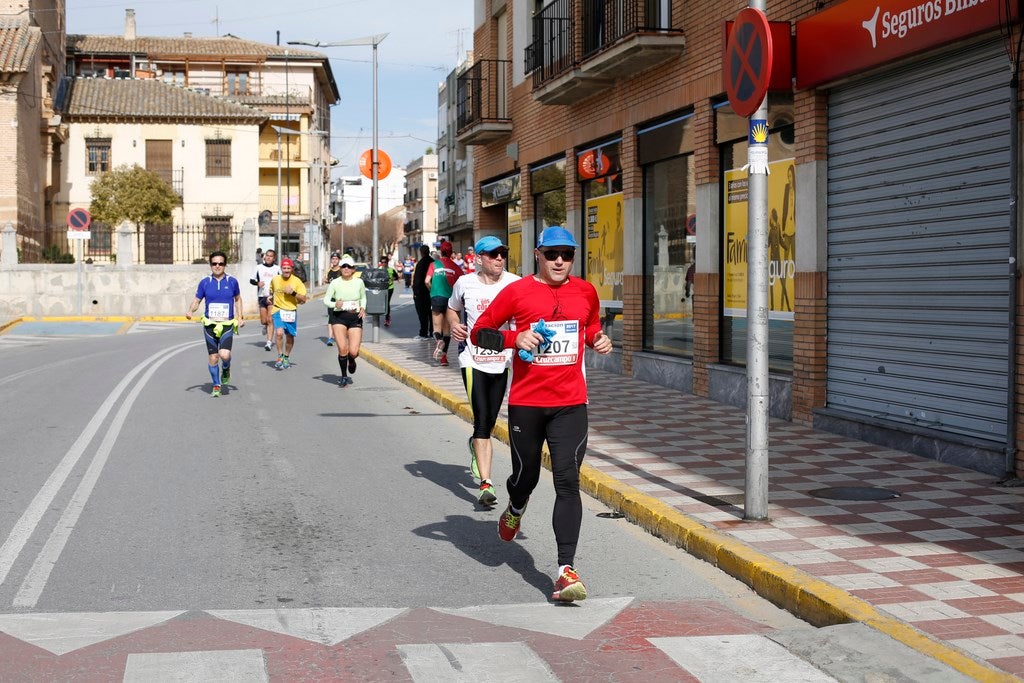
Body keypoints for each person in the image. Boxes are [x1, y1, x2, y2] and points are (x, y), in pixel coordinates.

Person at [471, 226, 612, 602]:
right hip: (527, 404)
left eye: (567, 254)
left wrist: (597, 339)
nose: (560, 261)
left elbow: (591, 324)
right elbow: (478, 333)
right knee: (526, 476)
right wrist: (512, 338)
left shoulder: (585, 291)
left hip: (570, 403)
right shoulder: (516, 292)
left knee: (567, 480)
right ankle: (515, 506)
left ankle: (566, 570)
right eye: (552, 254)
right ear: (538, 254)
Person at [447, 236, 520, 505]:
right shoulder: (465, 283)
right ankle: (486, 484)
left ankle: (475, 445)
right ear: (479, 258)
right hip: (473, 360)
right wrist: (455, 325)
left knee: (490, 420)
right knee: (481, 419)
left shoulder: (514, 283)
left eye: (502, 253)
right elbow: (452, 309)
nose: (499, 258)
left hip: (502, 361)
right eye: (493, 254)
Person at [186, 251, 245, 398]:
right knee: (213, 357)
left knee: (224, 355)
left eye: (220, 263)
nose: (217, 266)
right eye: (214, 263)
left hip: (226, 324)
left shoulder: (232, 281)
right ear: (210, 265)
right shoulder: (205, 282)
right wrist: (190, 311)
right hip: (210, 324)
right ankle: (216, 384)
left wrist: (240, 317)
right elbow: (197, 300)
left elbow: (238, 299)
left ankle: (226, 367)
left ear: (225, 265)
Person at [324, 254, 367, 386]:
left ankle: (352, 360)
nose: (346, 269)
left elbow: (363, 297)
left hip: (355, 318)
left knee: (353, 351)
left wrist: (362, 308)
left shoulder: (359, 282)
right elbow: (326, 300)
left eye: (349, 266)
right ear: (340, 268)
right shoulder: (335, 283)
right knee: (342, 349)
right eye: (344, 266)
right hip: (339, 318)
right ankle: (344, 376)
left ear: (354, 269)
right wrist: (334, 304)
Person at [425, 240, 464, 366]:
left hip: (436, 297)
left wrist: (433, 290)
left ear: (441, 252)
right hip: (450, 300)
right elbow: (462, 283)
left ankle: (438, 341)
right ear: (451, 253)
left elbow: (426, 281)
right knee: (447, 331)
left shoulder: (434, 264)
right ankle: (444, 358)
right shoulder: (455, 267)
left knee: (437, 328)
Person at [269, 257, 308, 369]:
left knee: (290, 336)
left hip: (290, 311)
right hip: (278, 309)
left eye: (288, 268)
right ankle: (280, 355)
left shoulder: (297, 281)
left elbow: (304, 299)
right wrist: (271, 297)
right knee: (279, 333)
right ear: (281, 268)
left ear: (292, 269)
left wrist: (293, 293)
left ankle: (286, 356)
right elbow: (271, 290)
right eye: (284, 268)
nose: (286, 270)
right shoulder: (275, 279)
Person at [250, 249, 280, 351]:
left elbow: (282, 280)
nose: (268, 257)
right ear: (264, 257)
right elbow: (251, 280)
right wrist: (257, 283)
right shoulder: (258, 267)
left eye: (271, 256)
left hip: (272, 296)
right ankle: (265, 327)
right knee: (264, 321)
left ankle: (269, 342)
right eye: (267, 255)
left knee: (270, 319)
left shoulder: (277, 269)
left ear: (274, 258)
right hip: (261, 296)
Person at [412, 245, 434, 340]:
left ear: (421, 252)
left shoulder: (421, 263)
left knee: (422, 313)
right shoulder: (433, 262)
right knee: (432, 313)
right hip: (432, 291)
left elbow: (418, 279)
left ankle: (423, 333)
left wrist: (415, 292)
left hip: (422, 292)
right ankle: (433, 332)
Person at [324, 252, 344, 346]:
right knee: (331, 318)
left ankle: (341, 335)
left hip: (341, 298)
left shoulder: (342, 270)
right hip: (331, 298)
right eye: (333, 259)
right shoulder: (329, 271)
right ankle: (330, 338)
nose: (334, 260)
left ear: (339, 260)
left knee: (341, 317)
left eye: (336, 259)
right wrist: (326, 280)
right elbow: (328, 281)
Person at [379, 256, 401, 327]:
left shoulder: (391, 270)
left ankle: (387, 318)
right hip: (382, 288)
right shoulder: (379, 270)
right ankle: (382, 317)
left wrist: (392, 278)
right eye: (382, 262)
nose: (383, 264)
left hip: (389, 288)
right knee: (382, 303)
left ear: (387, 262)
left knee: (387, 302)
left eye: (385, 262)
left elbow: (397, 277)